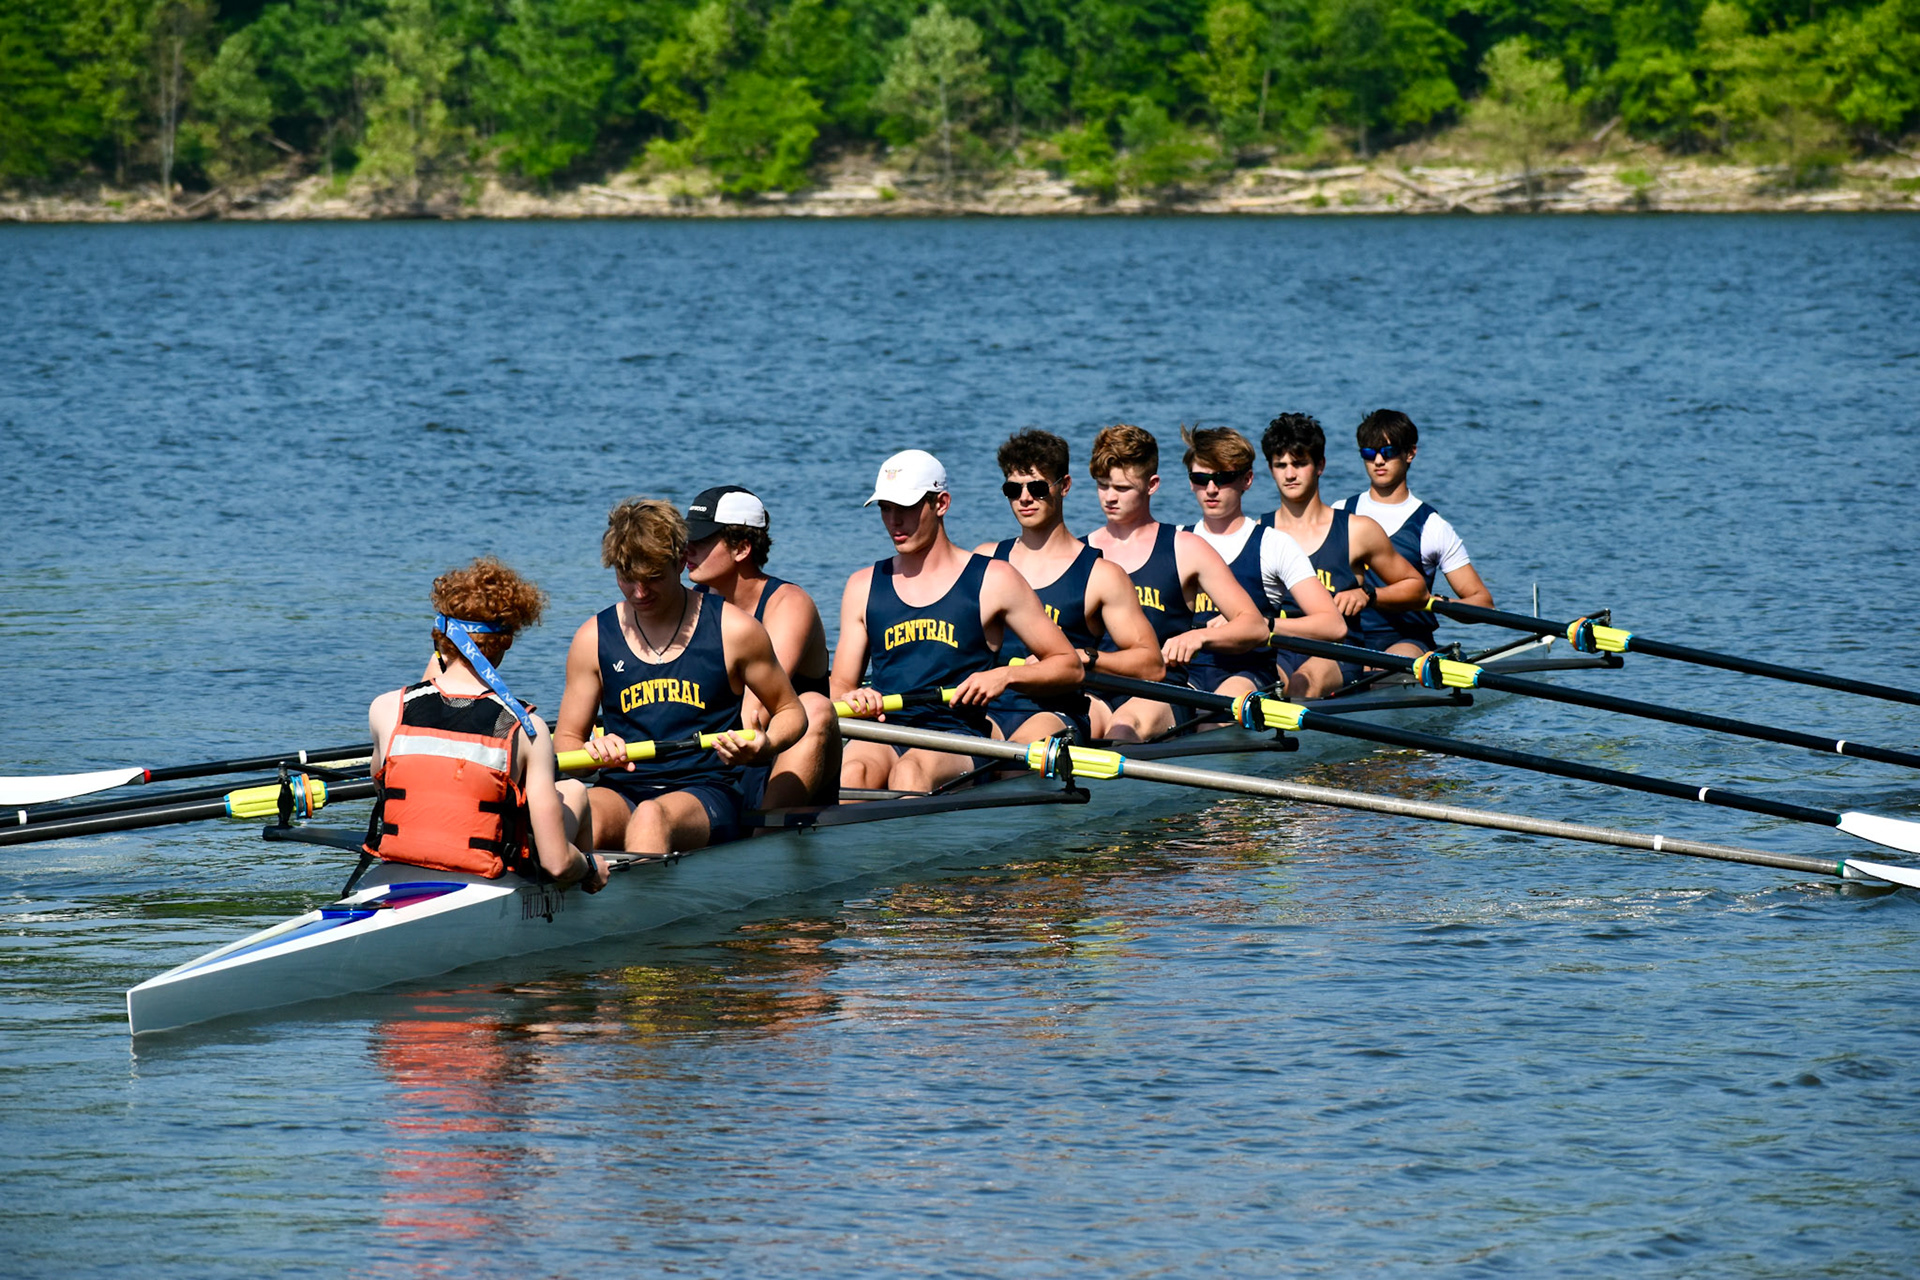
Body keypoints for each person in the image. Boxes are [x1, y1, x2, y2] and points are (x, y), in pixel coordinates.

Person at [555, 498, 807, 855]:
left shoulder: (733, 630)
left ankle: (637, 891)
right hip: (621, 790)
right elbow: (566, 740)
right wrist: (589, 753)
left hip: (708, 792)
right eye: (627, 578)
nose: (639, 593)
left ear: (679, 561)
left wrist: (765, 745)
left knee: (650, 817)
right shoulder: (592, 638)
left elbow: (791, 712)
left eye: (653, 578)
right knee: (562, 809)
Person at [833, 448, 1081, 792]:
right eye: (885, 508)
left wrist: (1005, 676)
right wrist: (853, 698)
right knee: (851, 773)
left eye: (906, 507)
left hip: (959, 735)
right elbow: (840, 684)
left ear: (941, 503)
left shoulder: (994, 579)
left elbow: (1069, 666)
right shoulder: (862, 586)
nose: (894, 521)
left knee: (911, 773)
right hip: (885, 728)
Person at [363, 557, 607, 893]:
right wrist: (588, 865)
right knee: (576, 792)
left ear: (440, 638)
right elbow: (556, 862)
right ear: (505, 642)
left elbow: (383, 786)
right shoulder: (526, 729)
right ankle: (588, 892)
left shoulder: (386, 708)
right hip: (484, 877)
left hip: (397, 868)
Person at [974, 429, 1165, 743]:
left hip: (1055, 711)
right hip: (988, 707)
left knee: (1013, 755)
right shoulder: (984, 560)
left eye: (1037, 488)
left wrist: (1084, 657)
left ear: (1064, 486)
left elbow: (1152, 665)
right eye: (1013, 489)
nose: (1024, 498)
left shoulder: (1101, 576)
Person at [1082, 424, 1269, 742]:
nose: (1110, 497)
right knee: (1061, 732)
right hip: (1097, 688)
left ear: (1152, 485)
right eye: (1102, 486)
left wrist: (1199, 637)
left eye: (1123, 488)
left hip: (1163, 690)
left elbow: (1254, 626)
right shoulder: (1081, 552)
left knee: (1124, 725)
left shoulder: (1185, 548)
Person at [682, 484, 840, 809]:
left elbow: (753, 713)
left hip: (774, 753)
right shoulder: (691, 603)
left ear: (742, 548)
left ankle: (765, 834)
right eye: (686, 539)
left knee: (815, 707)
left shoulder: (788, 605)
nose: (688, 549)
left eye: (701, 540)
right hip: (717, 755)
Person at [1259, 413, 1432, 696]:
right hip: (1281, 647)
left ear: (1320, 465)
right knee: (1261, 686)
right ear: (1271, 469)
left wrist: (1368, 594)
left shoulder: (1357, 530)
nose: (1290, 475)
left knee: (1302, 684)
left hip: (1339, 650)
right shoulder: (1259, 533)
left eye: (1299, 464)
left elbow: (1417, 589)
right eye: (1281, 465)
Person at [1177, 425, 1347, 700]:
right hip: (1188, 672)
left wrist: (1264, 625)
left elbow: (1333, 626)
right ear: (1190, 482)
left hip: (1248, 673)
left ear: (1247, 480)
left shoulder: (1274, 544)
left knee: (1219, 707)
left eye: (1223, 478)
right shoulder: (1176, 541)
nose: (1211, 489)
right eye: (1200, 478)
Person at [1332, 409, 1495, 657]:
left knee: (1391, 662)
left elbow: (1483, 602)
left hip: (1407, 641)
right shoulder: (1339, 512)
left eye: (1388, 452)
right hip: (1347, 634)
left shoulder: (1432, 526)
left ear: (1410, 453)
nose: (1378, 461)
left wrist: (1438, 603)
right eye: (1369, 453)